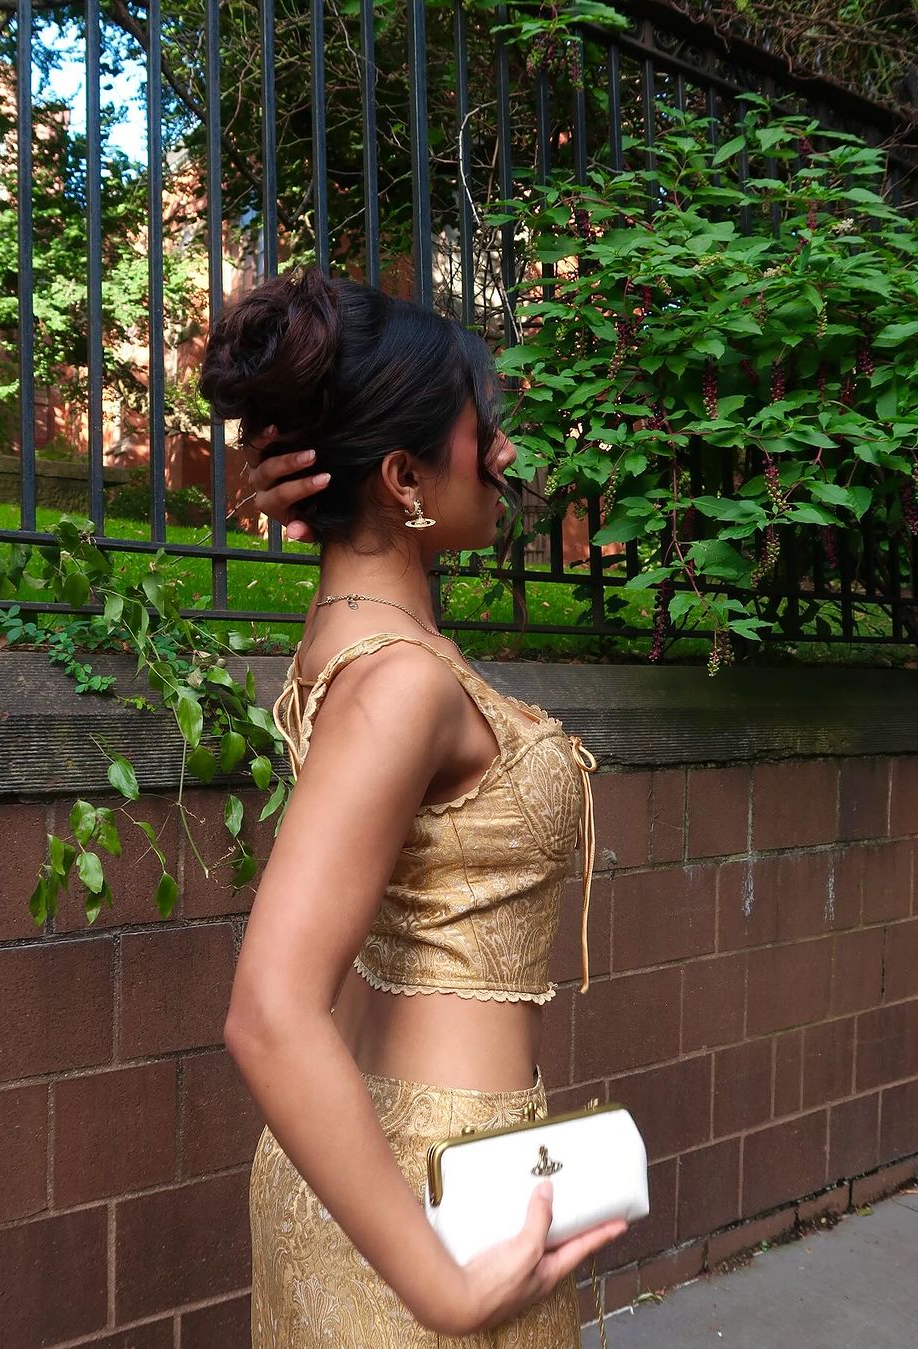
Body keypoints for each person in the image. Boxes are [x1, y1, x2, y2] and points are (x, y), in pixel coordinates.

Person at [202, 269, 625, 1346]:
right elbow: (268, 1010)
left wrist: (330, 508)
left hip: (394, 1174)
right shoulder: (400, 683)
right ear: (402, 475)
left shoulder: (349, 635)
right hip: (436, 1207)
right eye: (482, 429)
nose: (507, 454)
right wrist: (443, 1291)